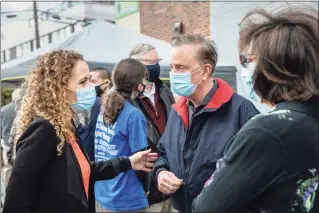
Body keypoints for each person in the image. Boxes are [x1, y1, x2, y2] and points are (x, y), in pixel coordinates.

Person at [193, 7, 319, 213]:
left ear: (275, 66)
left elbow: (205, 207)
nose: (245, 69)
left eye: (248, 60)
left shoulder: (268, 131)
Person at [3, 50, 158, 212]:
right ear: (59, 88)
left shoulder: (66, 125)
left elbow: (83, 171)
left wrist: (129, 162)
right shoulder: (44, 130)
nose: (90, 88)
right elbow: (16, 200)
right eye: (83, 82)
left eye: (90, 80)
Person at [152, 34, 260, 213]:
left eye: (180, 68)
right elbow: (164, 152)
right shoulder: (178, 110)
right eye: (172, 67)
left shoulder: (242, 112)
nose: (173, 74)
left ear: (205, 71)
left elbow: (257, 175)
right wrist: (161, 172)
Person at [94, 58, 151, 212]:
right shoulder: (133, 115)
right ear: (138, 84)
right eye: (144, 79)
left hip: (103, 192)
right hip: (126, 197)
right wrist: (146, 187)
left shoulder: (105, 106)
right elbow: (142, 158)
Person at [129, 43, 175, 212]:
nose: (155, 67)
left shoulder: (164, 90)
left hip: (171, 177)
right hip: (146, 183)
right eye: (149, 62)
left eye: (157, 61)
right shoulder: (127, 97)